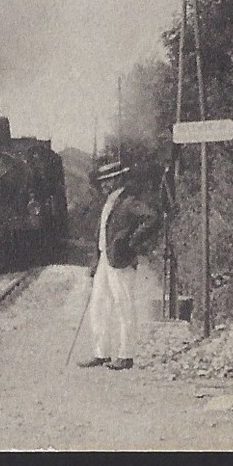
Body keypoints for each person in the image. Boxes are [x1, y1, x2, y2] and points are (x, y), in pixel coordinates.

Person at [79, 157, 162, 370]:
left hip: (121, 258)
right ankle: (101, 353)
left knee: (124, 305)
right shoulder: (108, 202)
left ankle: (126, 355)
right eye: (104, 181)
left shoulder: (129, 201)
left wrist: (132, 242)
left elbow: (153, 218)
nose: (106, 184)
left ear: (119, 180)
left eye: (110, 180)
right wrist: (95, 261)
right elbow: (103, 234)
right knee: (98, 305)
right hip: (105, 260)